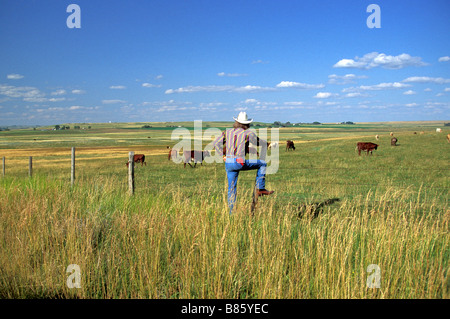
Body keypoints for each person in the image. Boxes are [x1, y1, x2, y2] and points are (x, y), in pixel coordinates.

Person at [213, 112, 274, 214]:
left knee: (231, 188)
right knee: (262, 163)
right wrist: (268, 144)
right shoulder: (248, 133)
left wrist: (223, 156)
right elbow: (257, 142)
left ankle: (231, 213)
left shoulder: (227, 132)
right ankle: (260, 188)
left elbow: (216, 143)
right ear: (247, 124)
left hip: (228, 163)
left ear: (236, 122)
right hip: (239, 162)